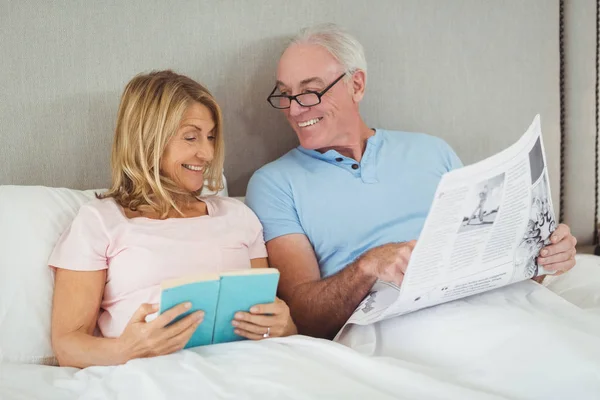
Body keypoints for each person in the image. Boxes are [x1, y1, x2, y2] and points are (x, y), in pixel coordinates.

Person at [245, 24, 577, 340]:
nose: (294, 108)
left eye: (310, 91)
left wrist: (542, 256)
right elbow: (302, 314)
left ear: (356, 85)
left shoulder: (433, 150)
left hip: (496, 309)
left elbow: (487, 261)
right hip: (396, 328)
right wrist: (367, 267)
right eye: (285, 94)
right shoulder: (274, 183)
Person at [49, 71, 297, 368]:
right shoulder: (101, 221)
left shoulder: (239, 216)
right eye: (191, 137)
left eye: (211, 137)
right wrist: (127, 349)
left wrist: (284, 327)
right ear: (148, 140)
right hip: (154, 373)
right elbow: (67, 345)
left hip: (247, 369)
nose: (206, 153)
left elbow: (271, 321)